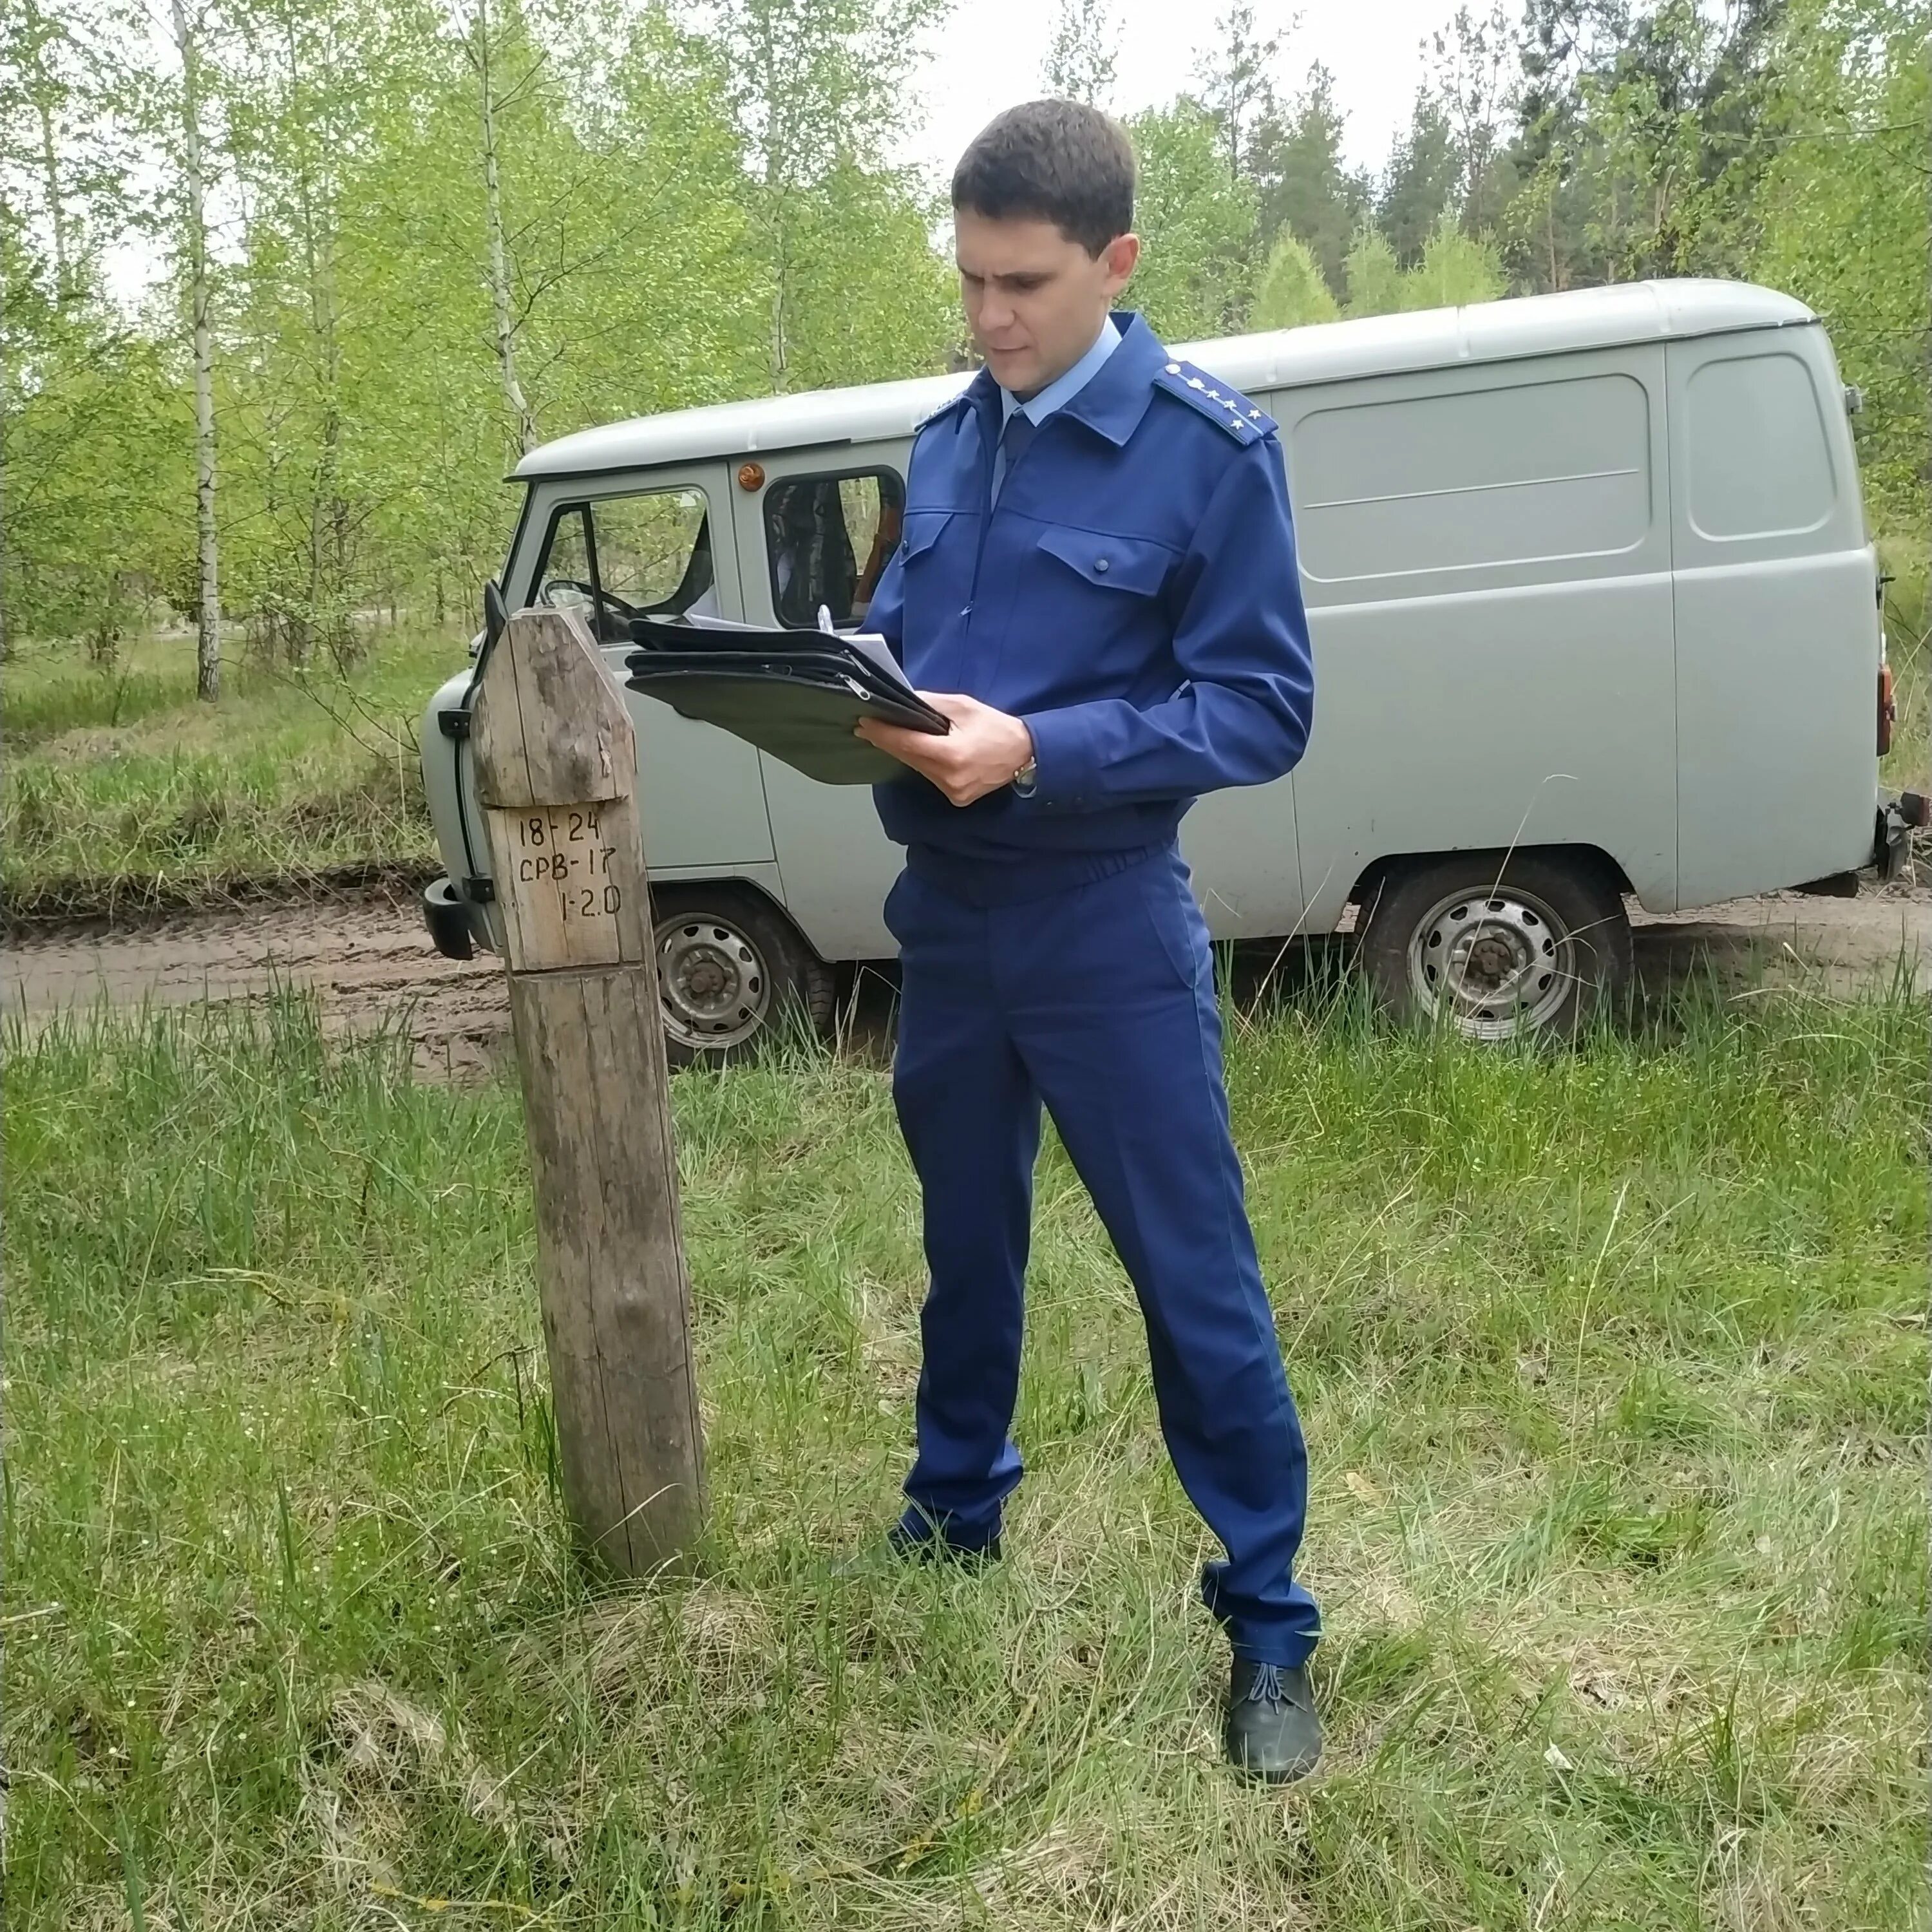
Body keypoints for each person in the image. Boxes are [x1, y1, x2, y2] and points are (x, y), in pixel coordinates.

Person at [849, 99, 1321, 1782]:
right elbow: (912, 634)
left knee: (1192, 1274)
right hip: (952, 925)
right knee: (965, 1241)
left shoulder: (1210, 452)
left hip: (1106, 927)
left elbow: (1265, 707)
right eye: (968, 280)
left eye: (1024, 285)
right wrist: (856, 687)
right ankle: (952, 1509)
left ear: (1116, 264)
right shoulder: (949, 440)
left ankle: (1269, 1618)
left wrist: (1039, 747)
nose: (989, 317)